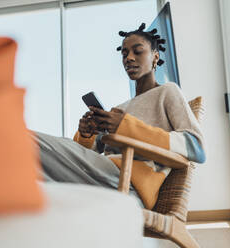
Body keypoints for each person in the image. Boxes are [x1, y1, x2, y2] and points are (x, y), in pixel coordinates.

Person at [33, 23, 206, 210]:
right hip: (99, 174)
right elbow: (91, 152)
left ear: (155, 56)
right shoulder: (120, 109)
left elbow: (195, 147)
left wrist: (125, 126)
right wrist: (86, 134)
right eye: (124, 54)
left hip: (128, 183)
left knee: (25, 141)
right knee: (29, 171)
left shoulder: (167, 91)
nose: (129, 58)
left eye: (137, 51)